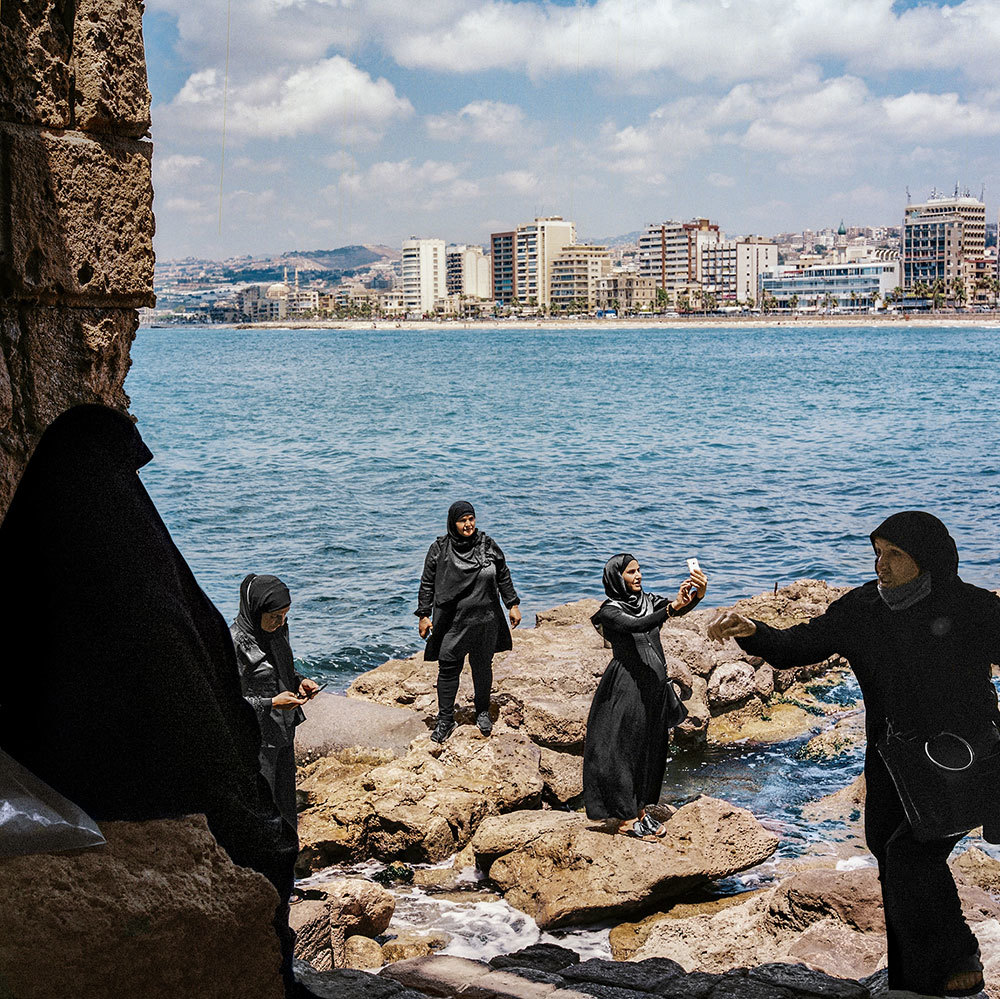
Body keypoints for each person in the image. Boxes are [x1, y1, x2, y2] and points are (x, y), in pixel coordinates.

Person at [0, 405, 301, 995]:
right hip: (153, 778)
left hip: (49, 766)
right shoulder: (139, 577)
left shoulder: (28, 554)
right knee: (265, 844)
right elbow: (190, 693)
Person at [707, 511, 1000, 998]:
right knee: (888, 850)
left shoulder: (972, 607)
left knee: (910, 855)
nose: (881, 565)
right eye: (877, 553)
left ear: (925, 558)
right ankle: (913, 978)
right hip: (891, 757)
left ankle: (956, 958)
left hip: (961, 759)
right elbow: (796, 645)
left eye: (895, 555)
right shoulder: (862, 608)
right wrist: (751, 629)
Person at [585, 553, 707, 838]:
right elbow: (636, 625)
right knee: (623, 751)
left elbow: (675, 610)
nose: (638, 576)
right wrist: (669, 609)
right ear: (617, 578)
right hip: (626, 687)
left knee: (649, 750)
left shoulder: (649, 602)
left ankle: (641, 810)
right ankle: (626, 818)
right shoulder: (609, 610)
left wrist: (696, 596)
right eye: (630, 572)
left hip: (654, 687)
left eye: (639, 570)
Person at [416, 501, 521, 743]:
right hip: (452, 621)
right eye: (462, 520)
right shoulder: (439, 549)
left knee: (482, 666)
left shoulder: (487, 544)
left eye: (471, 519)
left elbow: (503, 573)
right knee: (448, 668)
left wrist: (512, 604)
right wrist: (424, 614)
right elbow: (427, 583)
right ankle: (445, 720)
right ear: (453, 523)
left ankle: (482, 711)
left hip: (485, 619)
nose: (468, 524)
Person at [231, 574, 318, 858]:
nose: (280, 623)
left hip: (283, 735)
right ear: (256, 610)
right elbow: (228, 702)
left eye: (284, 616)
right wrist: (271, 703)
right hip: (255, 744)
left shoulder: (278, 633)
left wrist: (299, 681)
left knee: (287, 810)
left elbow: (280, 671)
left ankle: (288, 876)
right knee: (261, 813)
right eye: (274, 617)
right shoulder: (235, 642)